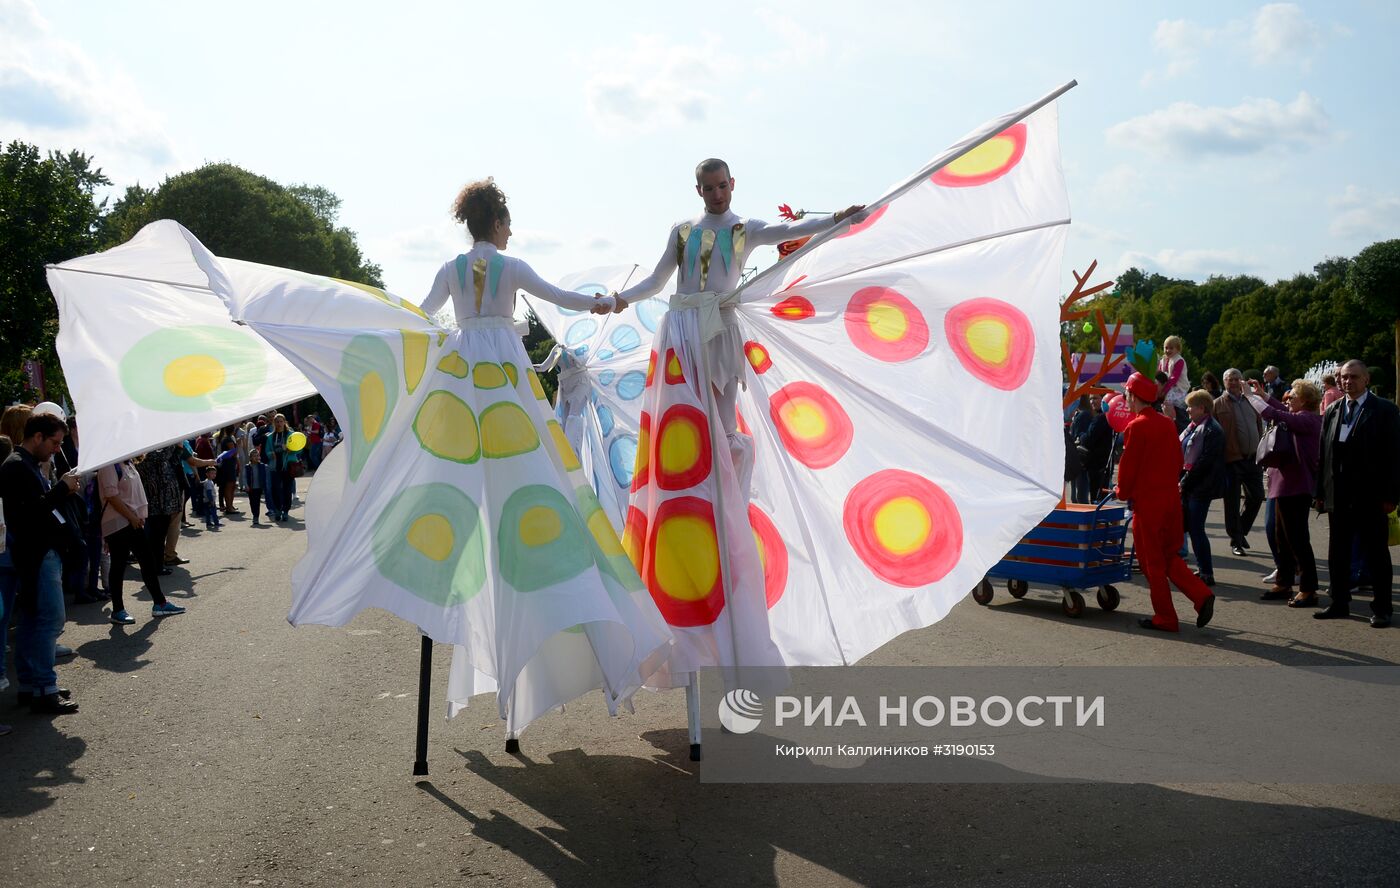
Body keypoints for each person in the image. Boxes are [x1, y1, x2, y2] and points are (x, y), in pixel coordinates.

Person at [608, 158, 863, 498]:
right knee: (683, 413)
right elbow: (657, 281)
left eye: (722, 186)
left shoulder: (745, 228)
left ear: (733, 183)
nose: (717, 194)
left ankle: (729, 504)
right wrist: (617, 300)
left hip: (721, 326)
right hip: (681, 328)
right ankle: (690, 499)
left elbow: (788, 232)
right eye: (709, 188)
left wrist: (836, 219)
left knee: (725, 421)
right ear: (698, 190)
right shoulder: (683, 230)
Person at [1115, 373, 1216, 632]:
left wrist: (1121, 491)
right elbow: (1175, 460)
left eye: (1127, 393)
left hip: (1149, 504)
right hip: (1171, 500)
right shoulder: (1166, 423)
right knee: (1168, 555)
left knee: (1152, 563)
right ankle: (1200, 594)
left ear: (1133, 396)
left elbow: (1128, 470)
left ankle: (1166, 617)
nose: (1126, 397)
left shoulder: (1136, 427)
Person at [0, 413, 82, 713]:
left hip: (36, 552)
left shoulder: (23, 464)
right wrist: (62, 488)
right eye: (54, 442)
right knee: (50, 620)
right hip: (35, 552)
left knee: (34, 620)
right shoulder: (17, 466)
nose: (57, 449)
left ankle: (33, 684)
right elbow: (31, 513)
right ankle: (43, 687)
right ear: (37, 437)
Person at [1313, 360, 1400, 627]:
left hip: (1371, 496)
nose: (1346, 381)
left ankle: (1382, 608)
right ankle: (1339, 602)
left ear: (1366, 380)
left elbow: (1395, 456)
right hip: (1338, 495)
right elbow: (1323, 454)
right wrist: (1320, 492)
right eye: (1343, 377)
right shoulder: (1334, 409)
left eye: (1353, 377)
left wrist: (1391, 496)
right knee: (1337, 552)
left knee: (1376, 553)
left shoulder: (1385, 410)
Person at [1248, 379, 1323, 606]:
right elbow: (1281, 410)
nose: (1288, 398)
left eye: (1294, 396)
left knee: (1297, 539)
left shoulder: (1308, 419)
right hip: (1285, 484)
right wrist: (1262, 395)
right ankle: (1284, 581)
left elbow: (1276, 414)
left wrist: (1250, 396)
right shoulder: (1299, 417)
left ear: (1306, 400)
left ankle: (1309, 589)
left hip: (1296, 486)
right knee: (1282, 537)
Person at [98, 457, 187, 625]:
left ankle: (159, 603)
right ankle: (118, 610)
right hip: (119, 522)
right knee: (119, 565)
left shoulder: (126, 462)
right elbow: (112, 496)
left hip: (132, 521)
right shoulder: (109, 465)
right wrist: (132, 517)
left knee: (146, 561)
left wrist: (136, 516)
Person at [1213, 368, 1265, 556]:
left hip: (1253, 458)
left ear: (1242, 381)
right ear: (1224, 381)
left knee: (1257, 496)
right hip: (1231, 460)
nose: (1234, 382)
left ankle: (1240, 530)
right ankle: (1236, 540)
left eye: (1237, 379)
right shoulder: (1217, 404)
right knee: (1232, 502)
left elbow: (1259, 425)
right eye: (1230, 379)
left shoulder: (1251, 401)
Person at [1177, 390, 1226, 586]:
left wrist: (1185, 480)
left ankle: (1206, 571)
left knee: (1196, 528)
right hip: (1193, 485)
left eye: (1191, 406)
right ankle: (1203, 568)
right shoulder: (1194, 427)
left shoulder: (1212, 430)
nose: (1188, 410)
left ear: (1202, 408)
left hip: (1201, 486)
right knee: (1191, 527)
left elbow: (1204, 462)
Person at [1158, 335, 1190, 415]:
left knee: (1168, 401)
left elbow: (1174, 378)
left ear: (1178, 349)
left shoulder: (1179, 360)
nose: (1168, 350)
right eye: (1166, 348)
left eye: (1171, 348)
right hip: (1167, 386)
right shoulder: (1163, 360)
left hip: (1178, 388)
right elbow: (1159, 374)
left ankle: (1173, 417)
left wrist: (1164, 391)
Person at [216, 438, 240, 514]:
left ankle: (230, 506)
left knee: (232, 488)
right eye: (231, 444)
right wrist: (238, 445)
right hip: (228, 468)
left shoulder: (228, 450)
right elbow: (234, 452)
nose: (233, 445)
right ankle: (229, 507)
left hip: (231, 467)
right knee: (229, 488)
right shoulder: (227, 452)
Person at [245, 446, 268, 526]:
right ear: (250, 458)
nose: (256, 457)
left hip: (258, 487)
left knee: (257, 502)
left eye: (257, 455)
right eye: (254, 456)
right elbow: (244, 476)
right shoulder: (247, 467)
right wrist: (246, 485)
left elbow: (265, 475)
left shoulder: (262, 466)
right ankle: (254, 514)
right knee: (252, 502)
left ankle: (256, 517)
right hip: (251, 488)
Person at [201, 466, 222, 530]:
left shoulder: (207, 481)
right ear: (207, 474)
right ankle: (216, 522)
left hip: (205, 500)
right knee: (213, 512)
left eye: (215, 473)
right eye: (212, 473)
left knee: (207, 513)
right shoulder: (209, 482)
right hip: (209, 500)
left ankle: (208, 523)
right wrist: (211, 500)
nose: (214, 475)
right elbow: (209, 492)